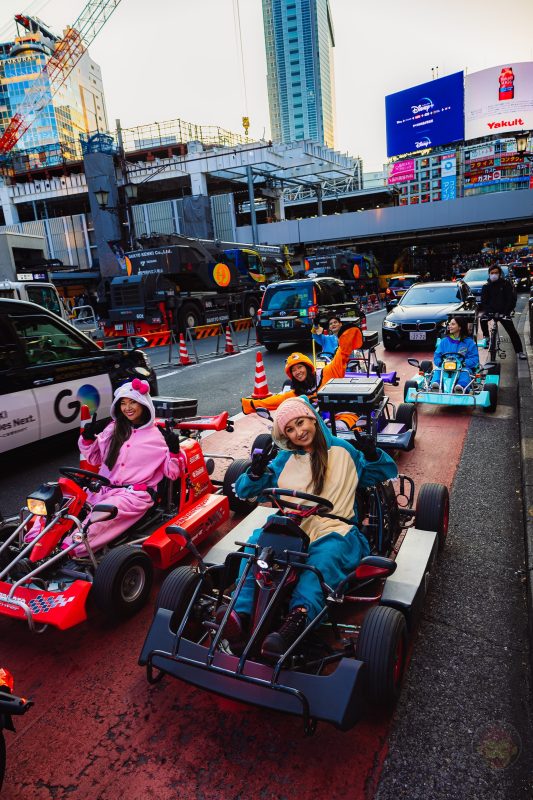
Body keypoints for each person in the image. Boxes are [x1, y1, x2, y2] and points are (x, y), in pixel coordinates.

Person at [220, 396, 397, 659]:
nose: (298, 432)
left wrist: (372, 454)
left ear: (312, 419)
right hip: (292, 525)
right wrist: (255, 472)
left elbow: (383, 472)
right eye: (290, 429)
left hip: (337, 527)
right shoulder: (284, 459)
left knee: (322, 560)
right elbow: (245, 491)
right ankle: (241, 613)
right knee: (256, 547)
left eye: (301, 422)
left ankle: (296, 620)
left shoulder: (343, 451)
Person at [62, 378, 184, 556]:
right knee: (64, 502)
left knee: (100, 515)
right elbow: (95, 458)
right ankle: (34, 543)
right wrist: (87, 439)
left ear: (143, 403)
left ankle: (68, 550)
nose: (127, 408)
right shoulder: (113, 429)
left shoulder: (158, 436)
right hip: (102, 489)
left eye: (133, 402)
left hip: (134, 496)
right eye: (123, 403)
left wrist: (174, 451)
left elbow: (173, 473)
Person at [242, 324, 362, 414]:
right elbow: (274, 401)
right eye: (293, 370)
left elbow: (342, 354)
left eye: (300, 367)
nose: (297, 372)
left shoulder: (327, 373)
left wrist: (347, 334)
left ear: (308, 367)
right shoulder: (295, 394)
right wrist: (250, 404)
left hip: (340, 418)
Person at [479, 265, 525, 359]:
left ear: (500, 274)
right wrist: (489, 311)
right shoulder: (486, 286)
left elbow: (510, 300)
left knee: (512, 331)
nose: (494, 275)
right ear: (489, 274)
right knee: (482, 320)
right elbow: (484, 302)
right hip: (490, 312)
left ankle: (519, 351)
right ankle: (486, 338)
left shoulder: (506, 284)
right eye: (492, 273)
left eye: (496, 273)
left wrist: (505, 312)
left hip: (504, 312)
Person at [430, 316, 479, 393]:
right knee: (438, 370)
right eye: (449, 324)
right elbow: (437, 355)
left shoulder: (469, 342)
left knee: (465, 372)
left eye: (453, 324)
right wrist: (440, 362)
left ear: (460, 327)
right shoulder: (444, 341)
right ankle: (436, 385)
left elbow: (474, 358)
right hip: (445, 367)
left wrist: (464, 363)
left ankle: (461, 387)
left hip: (462, 367)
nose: (450, 326)